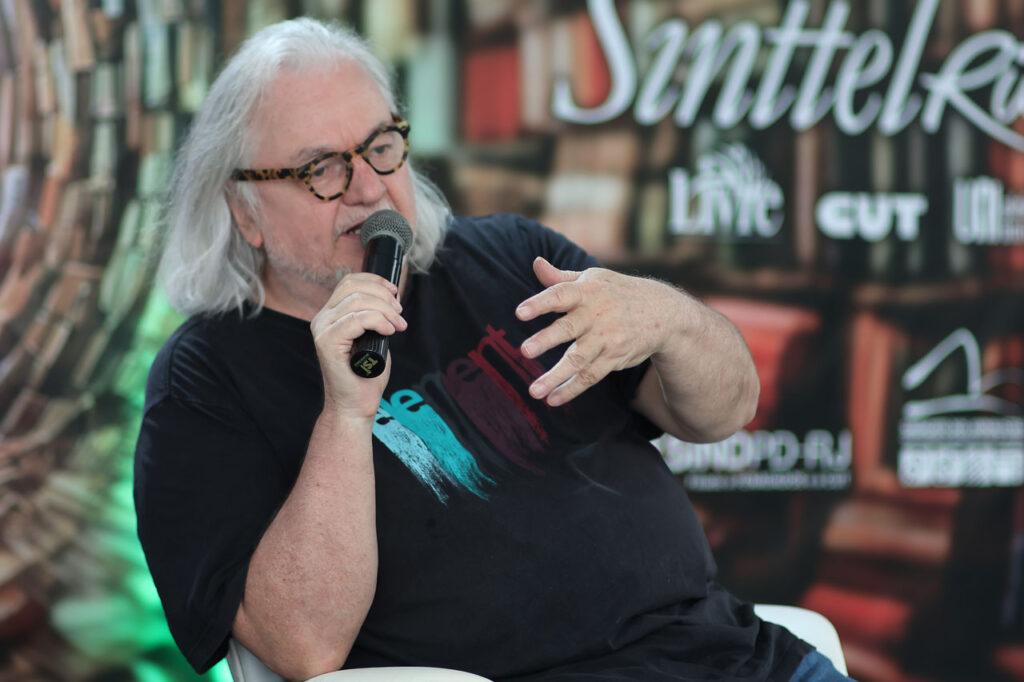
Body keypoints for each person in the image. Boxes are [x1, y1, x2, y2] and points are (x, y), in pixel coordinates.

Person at [133, 17, 851, 682]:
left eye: (380, 147)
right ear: (245, 211)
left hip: (739, 660)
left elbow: (725, 413)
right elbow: (301, 646)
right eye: (321, 168)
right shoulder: (204, 379)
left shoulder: (512, 255)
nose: (370, 188)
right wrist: (346, 416)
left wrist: (670, 319)